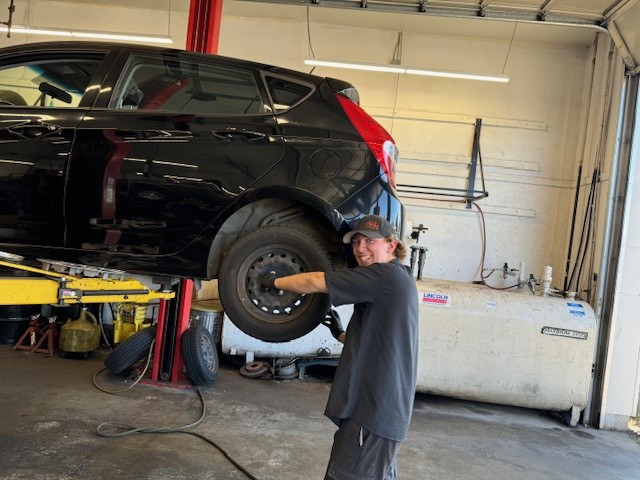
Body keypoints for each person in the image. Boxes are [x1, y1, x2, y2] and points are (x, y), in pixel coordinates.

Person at [261, 215, 419, 480]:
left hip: (371, 414)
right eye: (356, 242)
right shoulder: (398, 278)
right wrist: (341, 334)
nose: (360, 248)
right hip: (384, 414)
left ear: (391, 245)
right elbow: (376, 342)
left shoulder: (383, 276)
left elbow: (315, 283)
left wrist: (274, 282)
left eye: (369, 241)